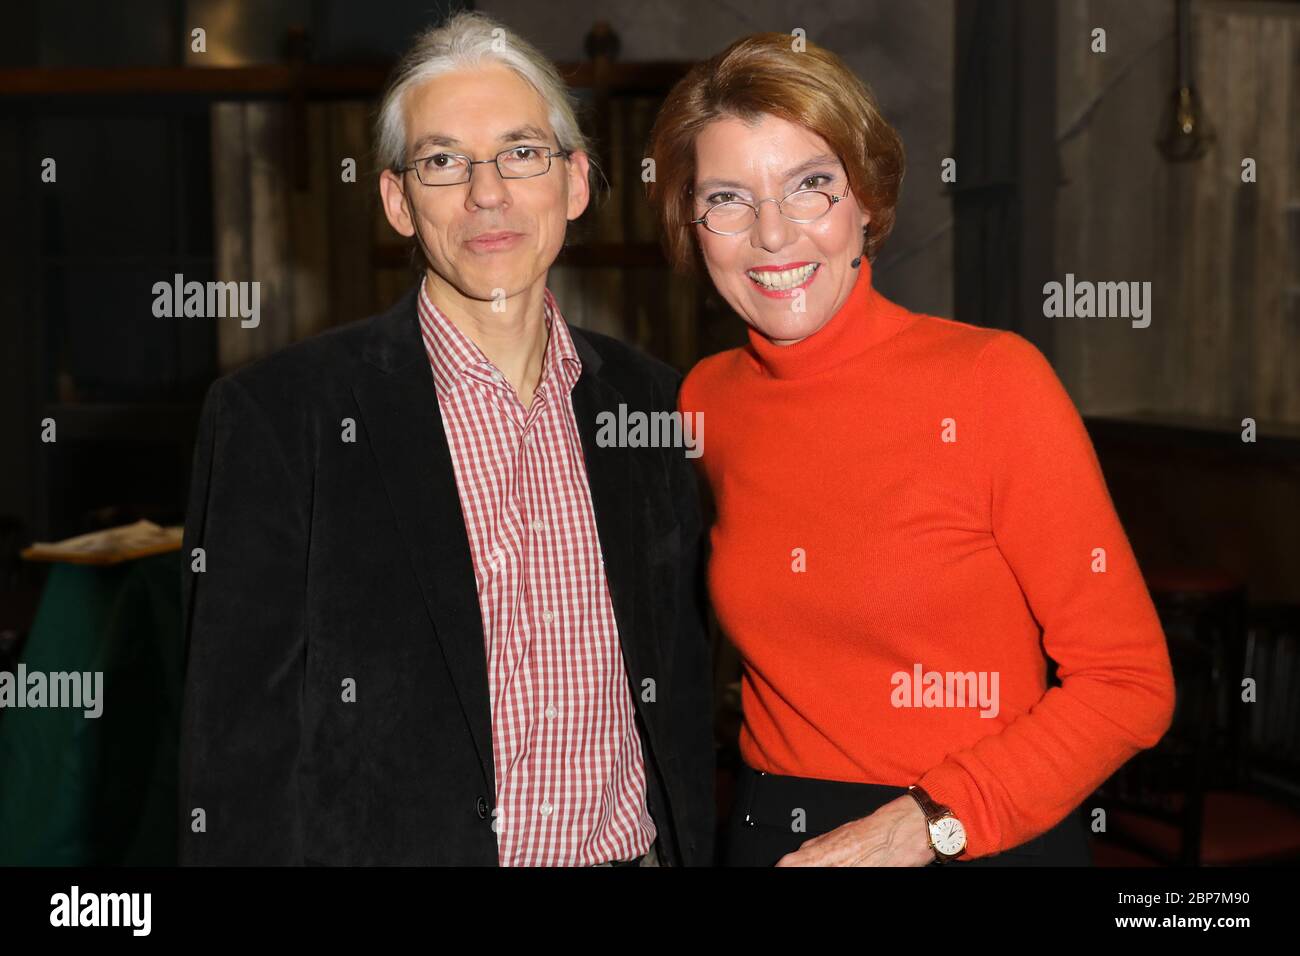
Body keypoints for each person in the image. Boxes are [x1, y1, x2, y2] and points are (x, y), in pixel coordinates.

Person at [178, 11, 714, 867]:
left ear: (575, 183)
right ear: (397, 200)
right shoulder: (281, 418)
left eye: (521, 153)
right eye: (442, 162)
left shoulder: (652, 406)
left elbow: (685, 703)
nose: (487, 193)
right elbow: (236, 752)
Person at [646, 32, 1176, 866]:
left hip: (973, 830)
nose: (773, 234)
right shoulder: (705, 399)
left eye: (810, 187)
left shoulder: (994, 383)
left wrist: (928, 821)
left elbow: (1130, 685)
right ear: (690, 223)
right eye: (728, 199)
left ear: (866, 201)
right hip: (771, 832)